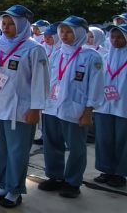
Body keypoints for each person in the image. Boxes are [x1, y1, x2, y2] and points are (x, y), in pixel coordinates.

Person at [0, 5, 49, 208]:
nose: (7, 28)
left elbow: (40, 82)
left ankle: (14, 190)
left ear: (23, 25)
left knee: (17, 152)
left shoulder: (34, 49)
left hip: (19, 111)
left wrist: (36, 109)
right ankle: (2, 185)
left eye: (11, 24)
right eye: (4, 23)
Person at [39, 16, 104, 198]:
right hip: (51, 106)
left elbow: (96, 86)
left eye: (70, 32)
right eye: (63, 31)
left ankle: (73, 181)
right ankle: (55, 176)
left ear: (81, 33)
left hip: (75, 109)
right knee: (51, 143)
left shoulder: (91, 56)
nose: (65, 35)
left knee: (76, 147)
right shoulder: (57, 53)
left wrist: (88, 110)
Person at [93, 23, 127, 188]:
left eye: (120, 37)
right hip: (104, 105)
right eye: (113, 37)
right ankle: (106, 170)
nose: (115, 40)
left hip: (123, 106)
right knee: (104, 138)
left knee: (122, 140)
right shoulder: (104, 57)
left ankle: (120, 173)